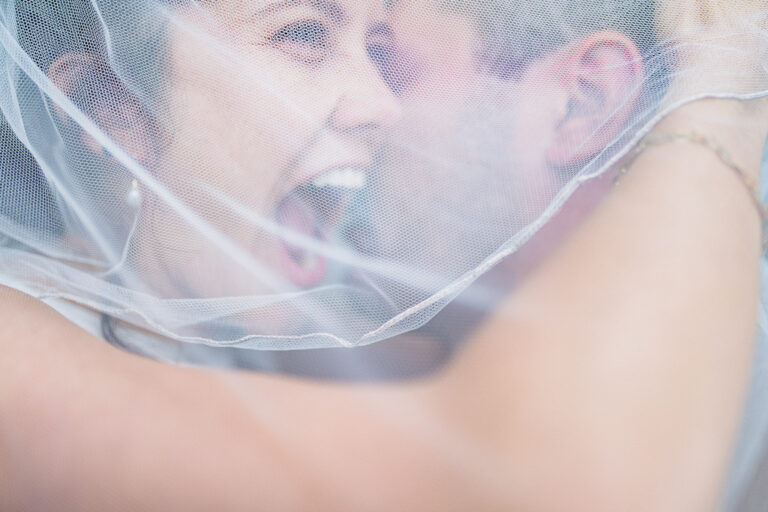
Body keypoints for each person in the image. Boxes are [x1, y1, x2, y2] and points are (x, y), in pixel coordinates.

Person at [1, 1, 767, 511]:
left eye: (378, 51)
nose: (383, 105)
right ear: (105, 107)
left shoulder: (315, 349)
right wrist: (724, 96)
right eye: (304, 33)